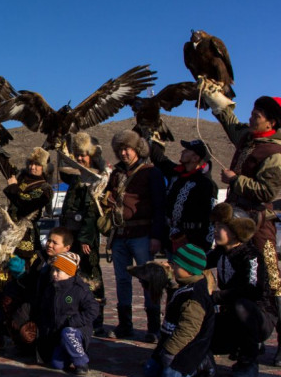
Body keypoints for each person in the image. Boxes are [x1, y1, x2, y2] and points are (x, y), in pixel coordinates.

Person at [202, 82, 281, 366]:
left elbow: (269, 192)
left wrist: (235, 180)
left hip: (259, 224)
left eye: (258, 114)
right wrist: (210, 93)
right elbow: (229, 120)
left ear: (272, 121)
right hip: (234, 221)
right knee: (236, 276)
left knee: (272, 279)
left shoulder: (275, 154)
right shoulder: (246, 138)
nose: (252, 116)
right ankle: (246, 335)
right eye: (253, 111)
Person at [102, 130, 166, 341]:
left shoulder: (151, 172)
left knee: (148, 279)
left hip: (143, 233)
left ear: (137, 149)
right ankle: (125, 324)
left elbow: (160, 206)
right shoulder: (116, 174)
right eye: (120, 149)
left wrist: (157, 236)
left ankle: (153, 327)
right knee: (122, 280)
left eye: (127, 148)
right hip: (120, 234)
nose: (123, 153)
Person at [207, 203, 277, 377]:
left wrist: (217, 296)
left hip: (258, 317)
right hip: (230, 316)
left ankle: (249, 360)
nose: (215, 231)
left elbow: (253, 289)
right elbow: (197, 262)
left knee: (242, 306)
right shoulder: (220, 253)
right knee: (201, 330)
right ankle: (203, 359)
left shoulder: (251, 255)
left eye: (220, 227)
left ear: (235, 230)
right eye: (215, 226)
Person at [58, 132, 109, 336]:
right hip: (70, 232)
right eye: (77, 155)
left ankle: (96, 318)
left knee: (92, 275)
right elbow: (62, 170)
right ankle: (74, 312)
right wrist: (62, 145)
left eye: (83, 155)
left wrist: (86, 237)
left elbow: (93, 210)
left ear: (93, 155)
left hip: (86, 235)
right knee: (71, 272)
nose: (79, 159)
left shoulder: (96, 176)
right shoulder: (76, 175)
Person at [144, 244, 216, 377]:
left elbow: (188, 330)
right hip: (171, 340)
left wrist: (170, 351)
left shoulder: (195, 297)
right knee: (150, 371)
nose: (173, 267)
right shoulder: (182, 284)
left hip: (190, 346)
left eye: (176, 265)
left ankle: (202, 362)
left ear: (189, 270)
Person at [148, 137, 218, 255]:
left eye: (187, 150)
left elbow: (211, 219)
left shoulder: (206, 184)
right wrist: (148, 135)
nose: (182, 152)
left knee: (190, 274)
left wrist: (204, 247)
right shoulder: (177, 174)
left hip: (194, 243)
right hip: (172, 239)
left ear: (195, 158)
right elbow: (159, 159)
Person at [35, 252, 99, 375]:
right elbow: (45, 311)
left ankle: (81, 362)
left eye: (58, 271)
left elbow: (93, 310)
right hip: (58, 332)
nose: (54, 274)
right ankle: (72, 353)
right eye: (53, 270)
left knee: (68, 333)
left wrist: (73, 321)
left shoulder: (79, 289)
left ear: (69, 272)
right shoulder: (51, 289)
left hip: (77, 330)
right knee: (57, 364)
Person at [4, 147, 53, 257]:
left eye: (37, 164)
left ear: (44, 167)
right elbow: (5, 166)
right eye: (31, 163)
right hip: (11, 230)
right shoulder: (21, 177)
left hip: (26, 233)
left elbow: (26, 204)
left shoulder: (45, 188)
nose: (33, 167)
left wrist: (13, 187)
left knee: (23, 266)